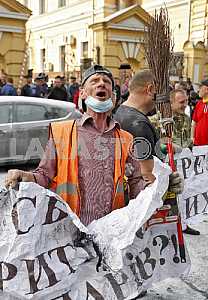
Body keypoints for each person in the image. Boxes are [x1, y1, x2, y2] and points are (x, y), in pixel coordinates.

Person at [5, 65, 183, 299]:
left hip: (111, 238)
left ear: (114, 94)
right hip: (71, 237)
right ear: (84, 93)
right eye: (95, 81)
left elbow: (137, 184)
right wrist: (25, 177)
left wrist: (162, 185)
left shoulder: (125, 138)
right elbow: (44, 176)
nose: (102, 85)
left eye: (107, 82)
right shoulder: (61, 132)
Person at [170, 89, 200, 235]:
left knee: (185, 193)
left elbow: (187, 140)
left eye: (186, 101)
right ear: (172, 102)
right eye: (181, 102)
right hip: (168, 164)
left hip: (184, 163)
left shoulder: (186, 119)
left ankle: (183, 225)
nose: (185, 105)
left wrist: (190, 146)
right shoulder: (163, 119)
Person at [191, 79, 208, 145]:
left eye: (200, 87)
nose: (198, 90)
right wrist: (192, 138)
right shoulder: (199, 103)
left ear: (207, 89)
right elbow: (194, 122)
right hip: (197, 143)